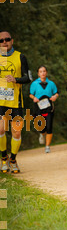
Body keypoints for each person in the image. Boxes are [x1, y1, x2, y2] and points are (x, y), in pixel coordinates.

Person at [0, 31, 31, 173]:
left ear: (12, 41)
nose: (4, 42)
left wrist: (16, 80)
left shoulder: (20, 57)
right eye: (1, 40)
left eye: (7, 39)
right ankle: (3, 158)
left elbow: (28, 78)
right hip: (1, 102)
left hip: (16, 102)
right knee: (0, 129)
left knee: (16, 133)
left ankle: (13, 159)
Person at [29, 66, 59, 153]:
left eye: (44, 71)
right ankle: (42, 134)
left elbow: (56, 93)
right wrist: (34, 98)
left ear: (46, 72)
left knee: (49, 127)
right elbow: (30, 94)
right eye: (41, 71)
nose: (43, 73)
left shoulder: (51, 84)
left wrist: (55, 96)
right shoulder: (34, 84)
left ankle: (47, 146)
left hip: (49, 108)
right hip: (38, 108)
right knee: (41, 127)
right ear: (38, 73)